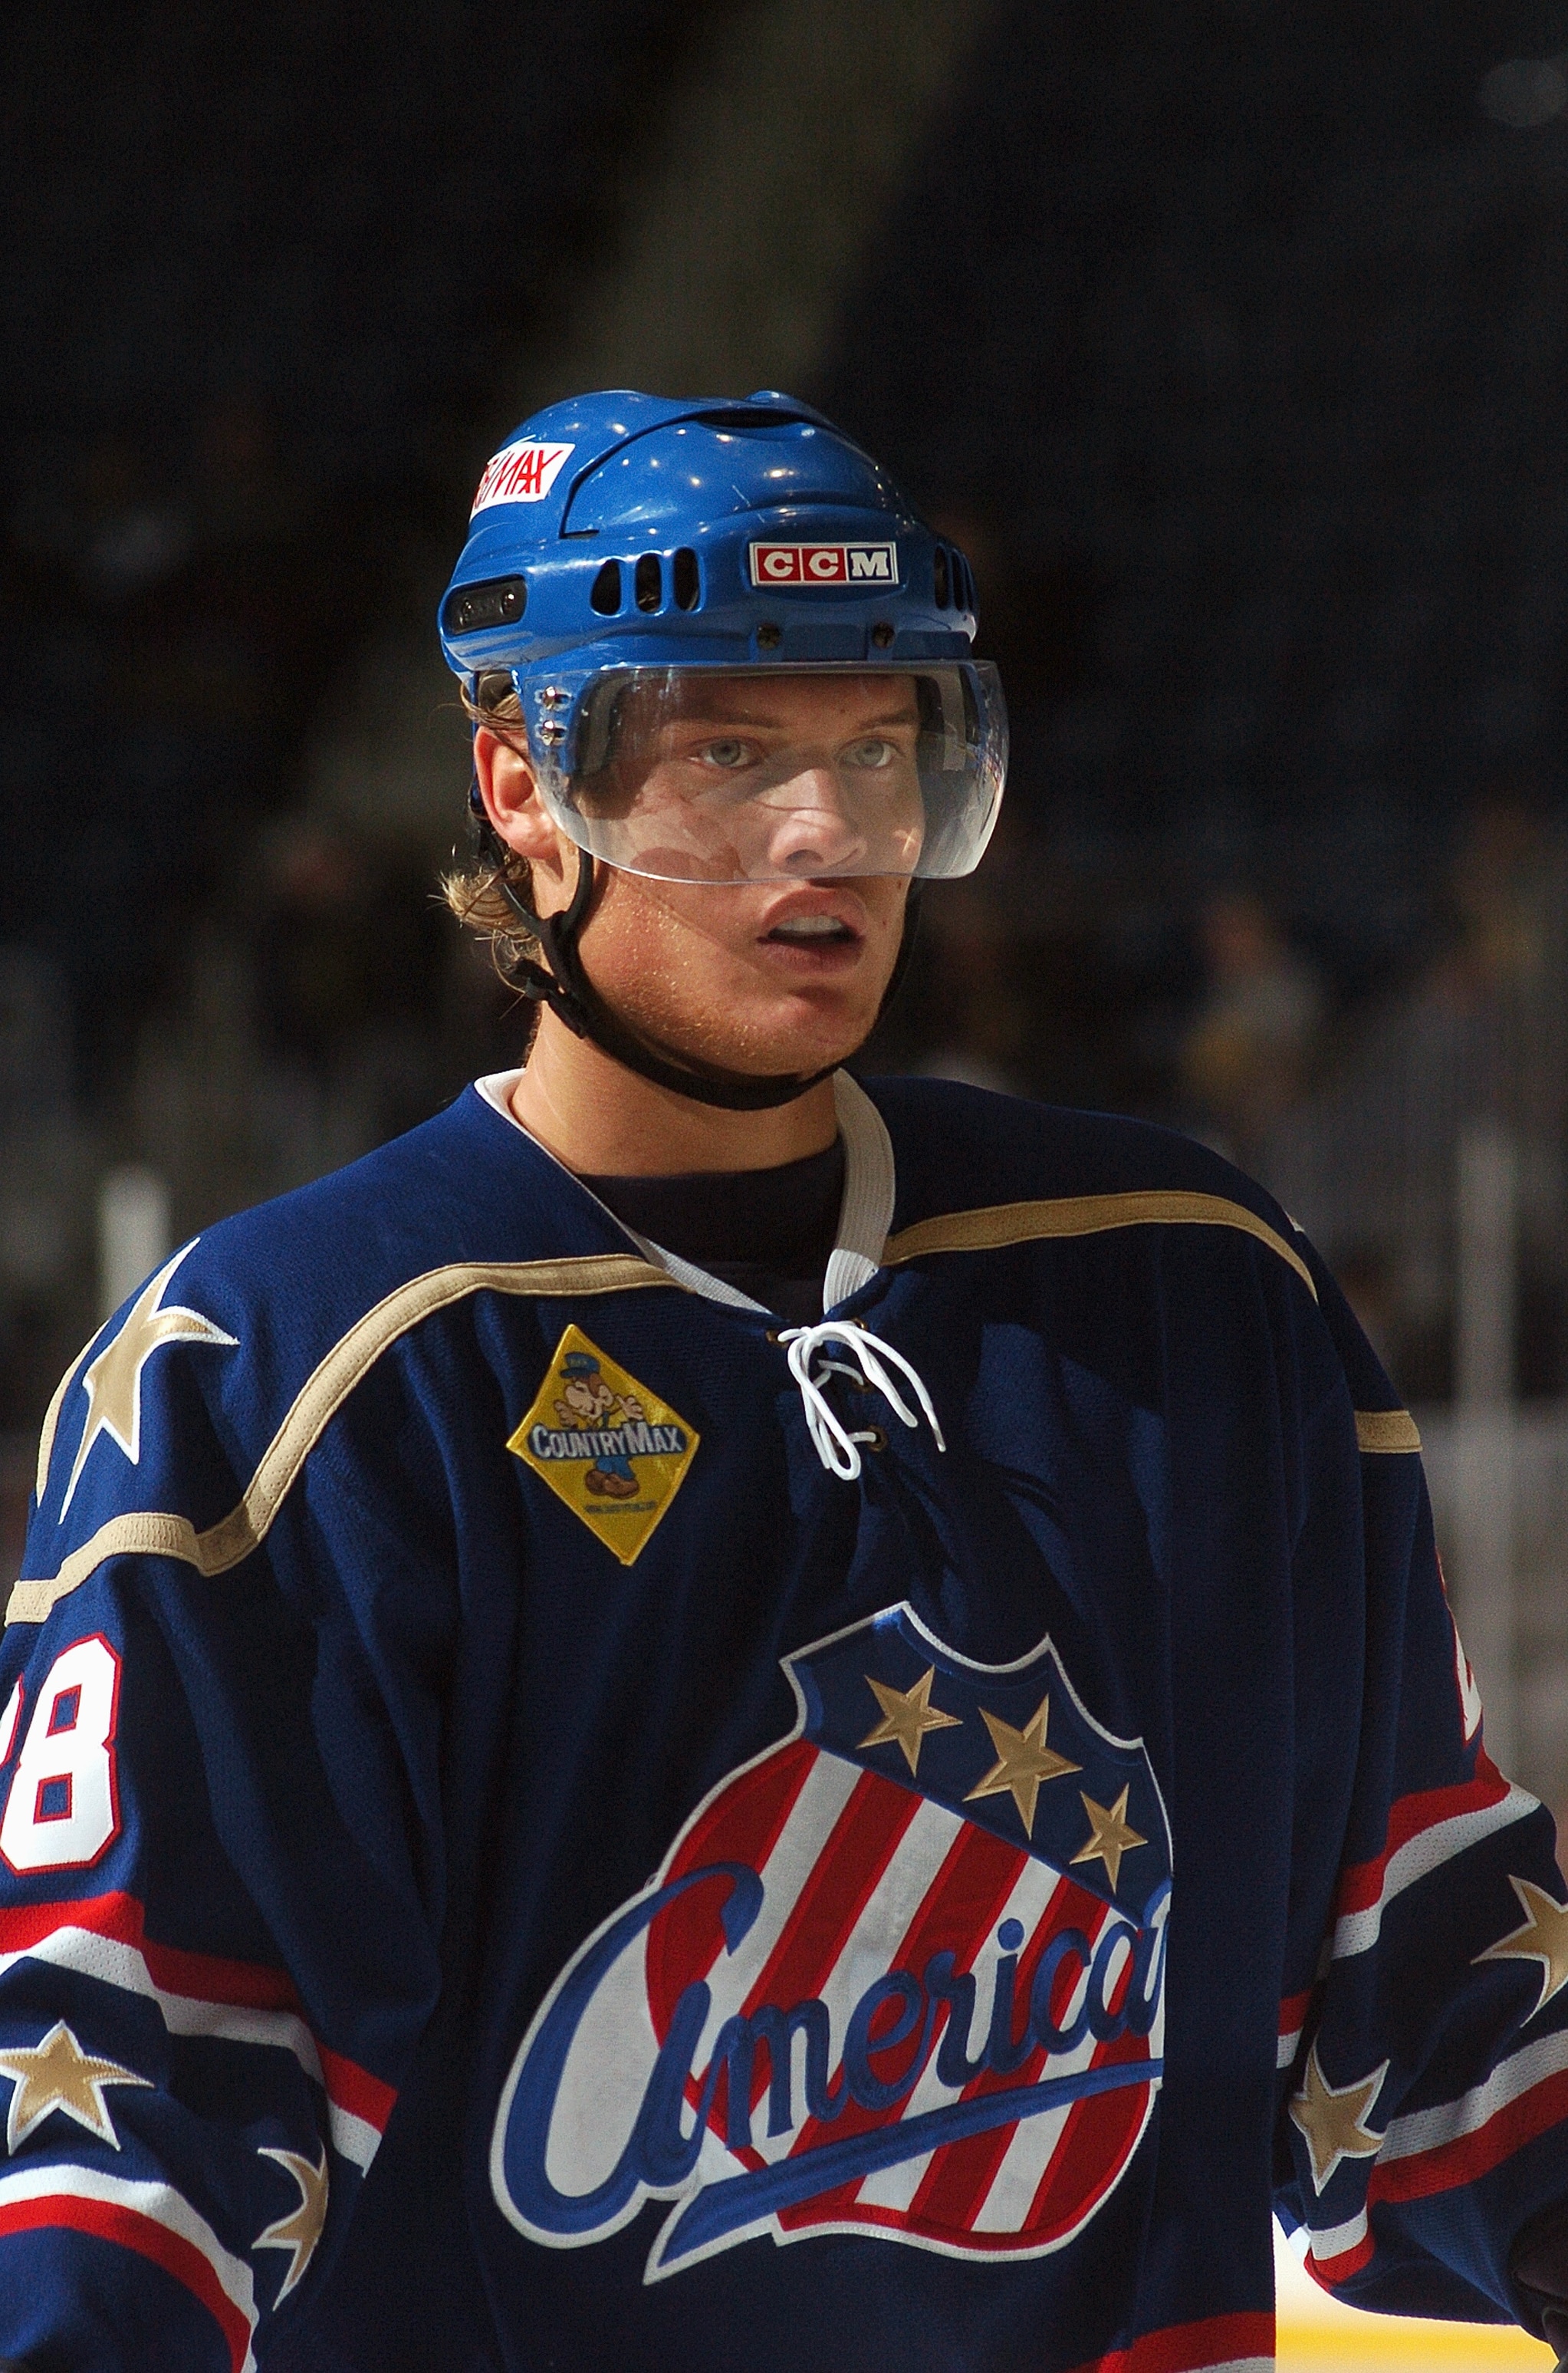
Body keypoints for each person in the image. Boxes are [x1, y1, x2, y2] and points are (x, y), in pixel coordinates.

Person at [0, 390, 1566, 2373]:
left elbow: (1428, 1971)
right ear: (518, 789)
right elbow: (123, 2112)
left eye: (877, 751)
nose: (824, 833)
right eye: (726, 757)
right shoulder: (300, 1370)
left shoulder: (1191, 1295)